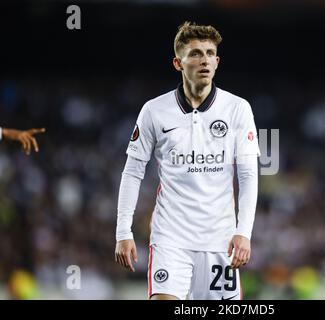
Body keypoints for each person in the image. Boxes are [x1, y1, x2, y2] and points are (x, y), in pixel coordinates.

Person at [114, 21, 260, 300]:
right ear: (178, 63)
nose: (203, 59)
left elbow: (248, 176)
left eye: (209, 53)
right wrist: (123, 230)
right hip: (171, 238)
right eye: (195, 53)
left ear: (217, 62)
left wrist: (244, 232)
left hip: (220, 241)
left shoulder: (238, 109)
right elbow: (132, 172)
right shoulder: (154, 111)